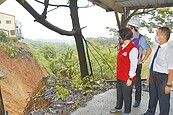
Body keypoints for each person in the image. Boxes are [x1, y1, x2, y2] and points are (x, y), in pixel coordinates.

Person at [142, 27, 173, 115]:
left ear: (163, 36)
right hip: (153, 75)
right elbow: (152, 64)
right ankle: (150, 112)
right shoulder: (156, 48)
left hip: (163, 77)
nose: (156, 36)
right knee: (152, 96)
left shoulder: (169, 51)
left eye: (158, 34)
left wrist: (168, 84)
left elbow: (171, 70)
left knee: (163, 99)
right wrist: (149, 76)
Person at [110, 28, 138, 115]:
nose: (119, 38)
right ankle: (118, 107)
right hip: (120, 75)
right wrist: (116, 70)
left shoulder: (133, 49)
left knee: (127, 94)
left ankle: (127, 111)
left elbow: (134, 65)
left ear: (124, 37)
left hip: (127, 77)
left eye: (120, 36)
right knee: (119, 93)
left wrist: (130, 78)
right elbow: (119, 60)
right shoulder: (122, 47)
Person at [127, 18, 152, 107]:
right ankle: (127, 99)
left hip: (137, 65)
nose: (127, 27)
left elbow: (149, 49)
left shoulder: (141, 38)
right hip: (128, 64)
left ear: (132, 27)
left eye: (128, 26)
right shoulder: (128, 37)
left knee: (137, 82)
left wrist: (143, 60)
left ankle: (137, 100)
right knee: (128, 82)